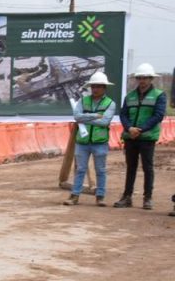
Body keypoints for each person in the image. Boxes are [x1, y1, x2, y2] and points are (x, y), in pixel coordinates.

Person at [114, 63, 167, 210]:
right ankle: (127, 197)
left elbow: (158, 115)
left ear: (151, 79)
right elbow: (123, 114)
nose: (142, 80)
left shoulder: (159, 95)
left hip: (147, 137)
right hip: (130, 137)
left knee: (147, 168)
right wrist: (129, 128)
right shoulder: (130, 96)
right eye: (140, 78)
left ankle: (147, 198)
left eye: (145, 78)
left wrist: (141, 129)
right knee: (131, 167)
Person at [63, 71, 116, 207]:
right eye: (93, 86)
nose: (95, 89)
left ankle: (100, 196)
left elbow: (105, 122)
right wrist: (96, 116)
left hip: (100, 142)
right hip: (83, 142)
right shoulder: (83, 100)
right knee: (80, 169)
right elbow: (77, 117)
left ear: (104, 88)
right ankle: (74, 196)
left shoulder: (110, 103)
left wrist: (86, 117)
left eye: (98, 86)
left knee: (101, 170)